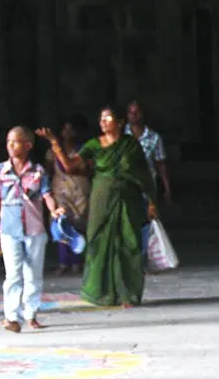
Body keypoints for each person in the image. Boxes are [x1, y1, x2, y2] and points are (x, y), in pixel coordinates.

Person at [37, 107, 159, 308]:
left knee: (129, 244)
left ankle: (127, 294)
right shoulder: (93, 145)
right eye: (101, 119)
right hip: (101, 198)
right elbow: (69, 167)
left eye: (108, 118)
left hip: (128, 200)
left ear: (119, 122)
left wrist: (152, 202)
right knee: (98, 242)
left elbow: (144, 175)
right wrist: (54, 143)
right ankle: (101, 293)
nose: (103, 122)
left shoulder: (131, 145)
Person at [0, 127, 66, 332]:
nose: (11, 145)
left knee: (33, 274)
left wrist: (54, 210)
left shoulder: (37, 171)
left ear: (28, 145)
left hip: (34, 230)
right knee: (13, 274)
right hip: (9, 230)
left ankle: (30, 314)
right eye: (9, 141)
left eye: (16, 142)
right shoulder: (1, 171)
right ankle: (11, 317)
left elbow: (46, 194)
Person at [44, 116, 91, 276]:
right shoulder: (52, 151)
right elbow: (49, 170)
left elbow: (91, 170)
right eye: (65, 129)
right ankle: (63, 262)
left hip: (79, 191)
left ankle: (76, 262)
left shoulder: (84, 150)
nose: (68, 132)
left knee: (78, 227)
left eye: (71, 129)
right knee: (61, 226)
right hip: (60, 191)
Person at [126, 100, 172, 204]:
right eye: (131, 112)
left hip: (147, 187)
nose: (134, 115)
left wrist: (167, 188)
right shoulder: (120, 136)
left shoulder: (154, 138)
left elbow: (160, 164)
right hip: (126, 186)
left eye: (137, 112)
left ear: (142, 114)